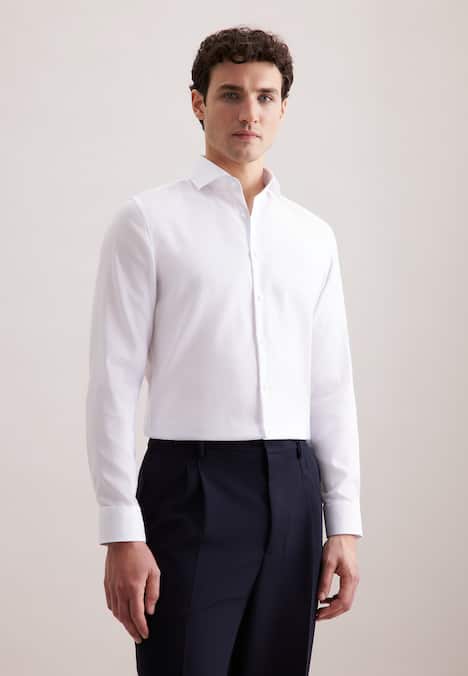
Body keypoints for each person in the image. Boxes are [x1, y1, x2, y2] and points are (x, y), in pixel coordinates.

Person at [85, 25, 363, 676]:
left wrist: (344, 523)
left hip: (294, 490)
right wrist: (121, 529)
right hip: (188, 488)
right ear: (198, 103)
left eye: (265, 97)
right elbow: (112, 383)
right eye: (231, 94)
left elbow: (331, 385)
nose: (249, 113)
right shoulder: (147, 222)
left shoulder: (312, 237)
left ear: (283, 108)